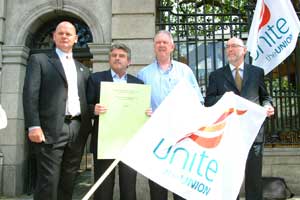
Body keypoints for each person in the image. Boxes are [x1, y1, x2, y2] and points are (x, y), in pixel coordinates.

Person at [23, 21, 92, 200]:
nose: (64, 36)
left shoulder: (82, 69)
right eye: (60, 33)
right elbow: (30, 94)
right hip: (50, 129)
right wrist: (33, 126)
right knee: (48, 181)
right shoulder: (40, 60)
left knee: (69, 180)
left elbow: (87, 100)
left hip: (77, 129)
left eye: (69, 34)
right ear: (54, 37)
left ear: (76, 39)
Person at [205, 37, 275, 200]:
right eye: (227, 46)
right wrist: (225, 98)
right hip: (227, 135)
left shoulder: (257, 72)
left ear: (244, 50)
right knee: (229, 180)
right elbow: (208, 102)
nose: (229, 49)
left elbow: (265, 97)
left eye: (234, 46)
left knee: (253, 179)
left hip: (253, 135)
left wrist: (268, 106)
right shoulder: (216, 76)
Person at [137, 30, 204, 200]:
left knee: (181, 186)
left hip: (181, 137)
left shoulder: (185, 71)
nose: (161, 45)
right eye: (158, 42)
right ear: (154, 46)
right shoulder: (143, 74)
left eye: (165, 42)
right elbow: (138, 107)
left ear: (172, 47)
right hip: (156, 139)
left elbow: (198, 101)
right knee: (157, 186)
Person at [86, 43, 150, 200]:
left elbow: (141, 114)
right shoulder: (95, 79)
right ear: (109, 59)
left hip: (130, 143)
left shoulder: (138, 84)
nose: (117, 58)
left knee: (129, 187)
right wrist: (93, 109)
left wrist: (146, 113)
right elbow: (84, 107)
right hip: (104, 142)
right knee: (103, 187)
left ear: (129, 61)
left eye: (121, 56)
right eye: (114, 55)